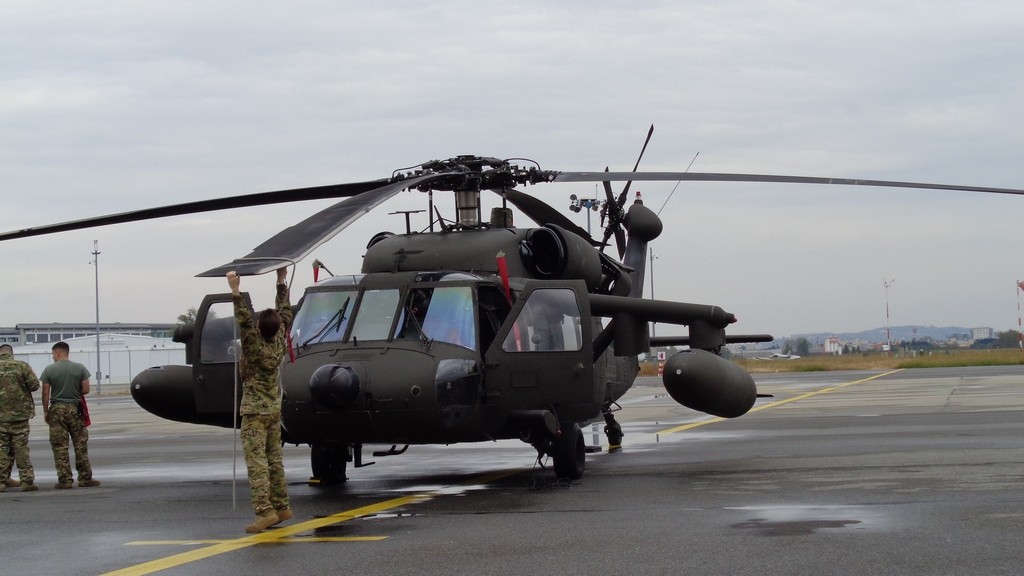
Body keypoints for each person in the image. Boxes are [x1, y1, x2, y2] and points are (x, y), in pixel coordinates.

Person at [228, 267, 294, 533]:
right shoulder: (279, 339)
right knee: (274, 460)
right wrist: (280, 280)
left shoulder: (255, 346)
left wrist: (235, 289)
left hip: (254, 412)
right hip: (273, 411)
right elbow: (285, 311)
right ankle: (282, 506)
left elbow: (244, 320)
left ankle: (265, 513)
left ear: (259, 328)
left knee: (257, 464)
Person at [40, 341, 100, 489]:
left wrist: (46, 411)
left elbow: (45, 392)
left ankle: (65, 480)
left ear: (58, 353)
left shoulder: (49, 370)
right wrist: (73, 392)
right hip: (75, 409)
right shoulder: (80, 368)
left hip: (56, 409)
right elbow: (86, 389)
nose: (53, 357)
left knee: (60, 446)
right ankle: (85, 478)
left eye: (53, 354)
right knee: (80, 444)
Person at [0, 344, 41, 492]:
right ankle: (27, 481)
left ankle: (1, 481)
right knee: (21, 448)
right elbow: (35, 385)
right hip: (20, 416)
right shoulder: (22, 366)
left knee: (2, 449)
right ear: (11, 354)